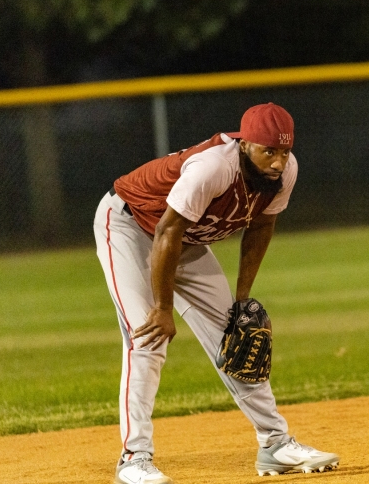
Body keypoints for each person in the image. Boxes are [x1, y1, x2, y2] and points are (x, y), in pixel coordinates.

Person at [93, 103, 339, 484]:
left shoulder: (285, 172)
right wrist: (162, 307)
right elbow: (166, 231)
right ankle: (133, 458)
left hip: (183, 240)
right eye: (268, 150)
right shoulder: (213, 167)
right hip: (130, 225)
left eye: (284, 151)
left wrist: (241, 300)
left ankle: (274, 443)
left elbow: (261, 227)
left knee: (239, 337)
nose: (277, 161)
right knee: (148, 339)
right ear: (244, 145)